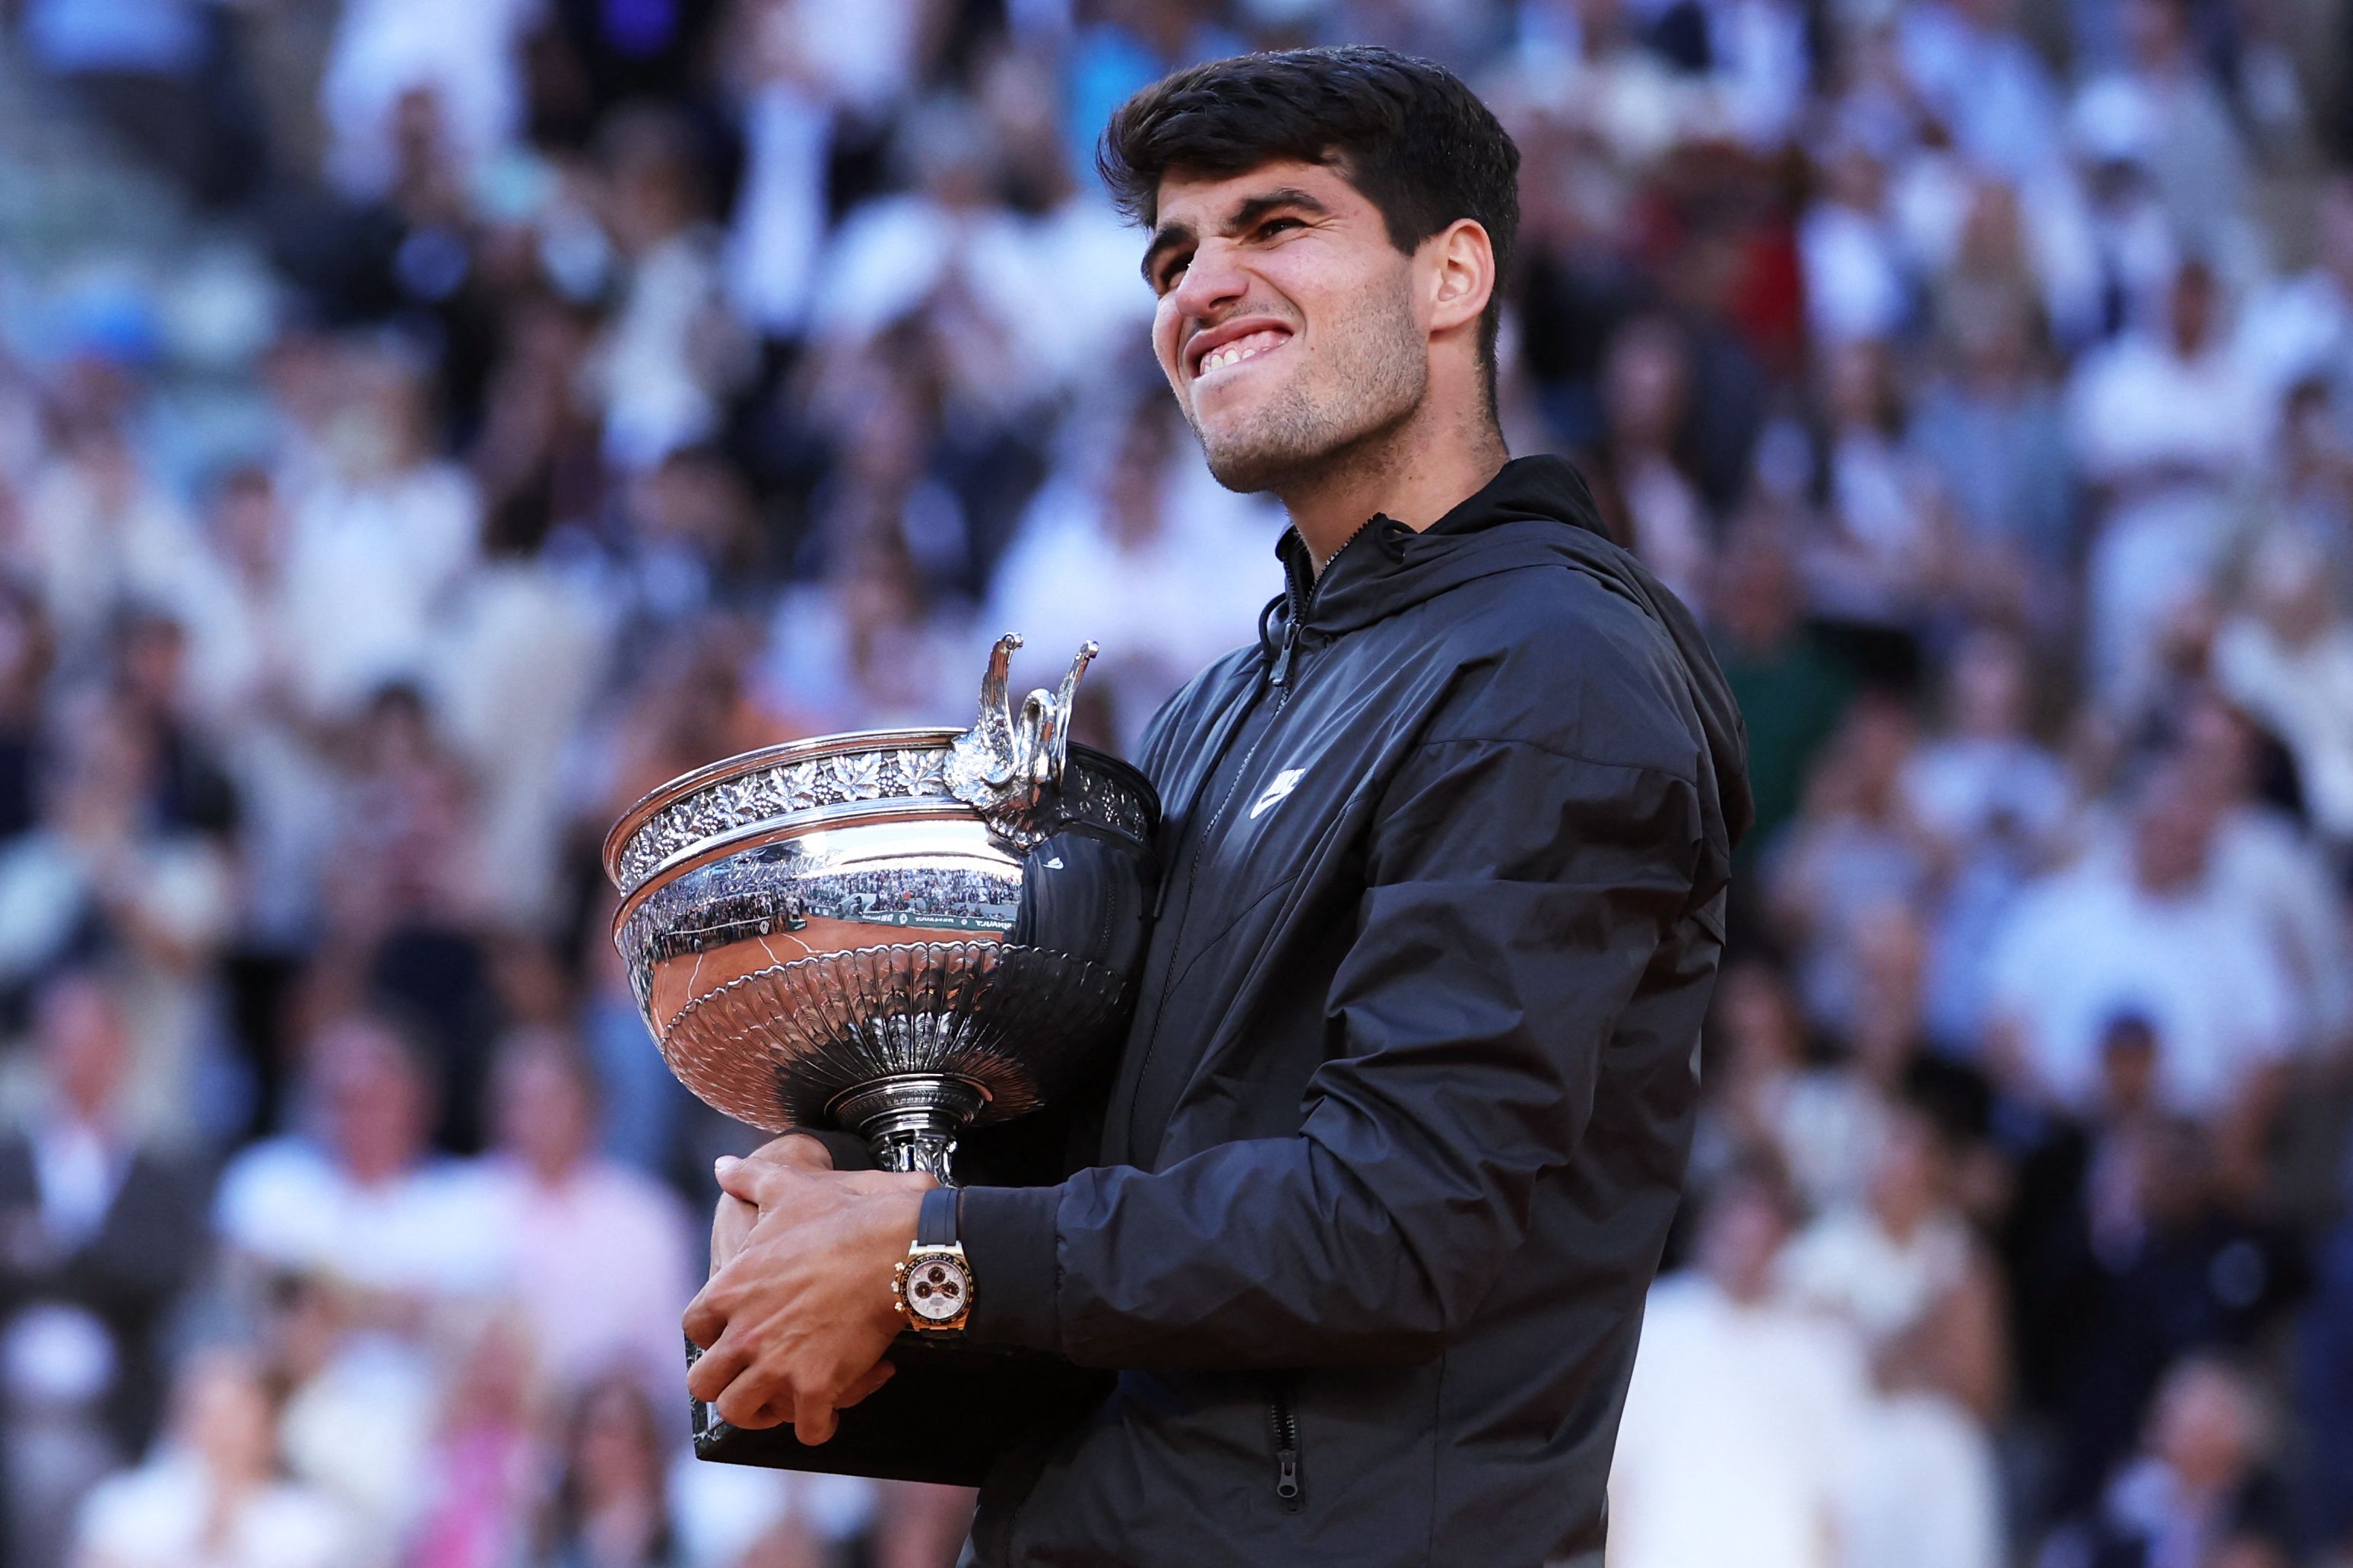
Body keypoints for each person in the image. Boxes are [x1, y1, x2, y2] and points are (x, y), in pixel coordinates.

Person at [675, 46, 1752, 1568]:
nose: (1202, 285)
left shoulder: (1555, 666)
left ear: (1454, 277)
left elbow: (1398, 1224)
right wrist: (837, 1238)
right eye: (1173, 255)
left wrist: (923, 1258)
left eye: (1276, 225)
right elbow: (1113, 1250)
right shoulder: (1213, 710)